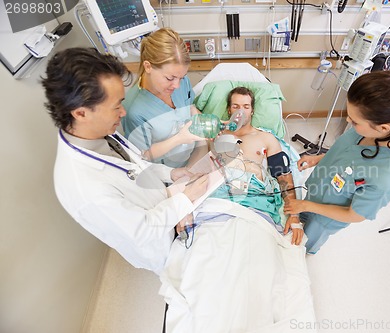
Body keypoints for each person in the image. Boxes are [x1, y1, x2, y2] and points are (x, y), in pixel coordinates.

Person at [42, 47, 209, 275]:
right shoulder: (84, 187)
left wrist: (170, 174)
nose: (123, 113)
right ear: (81, 113)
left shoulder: (101, 132)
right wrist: (186, 199)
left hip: (167, 206)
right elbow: (143, 230)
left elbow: (138, 163)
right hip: (160, 244)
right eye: (116, 106)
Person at [284, 71, 390, 254]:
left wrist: (306, 206)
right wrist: (318, 159)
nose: (348, 121)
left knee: (303, 244)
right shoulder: (362, 131)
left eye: (354, 121)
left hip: (324, 220)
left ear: (384, 128)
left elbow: (354, 215)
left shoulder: (386, 177)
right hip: (316, 192)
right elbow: (345, 155)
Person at [211, 87, 304, 245]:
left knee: (253, 243)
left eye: (246, 107)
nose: (241, 111)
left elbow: (283, 175)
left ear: (252, 110)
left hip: (253, 196)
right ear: (228, 109)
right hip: (221, 194)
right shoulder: (215, 136)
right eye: (236, 106)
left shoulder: (265, 138)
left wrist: (294, 216)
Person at [121, 27, 205, 168]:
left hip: (196, 158)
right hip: (169, 175)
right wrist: (179, 139)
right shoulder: (134, 111)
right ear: (148, 67)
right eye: (170, 78)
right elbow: (142, 156)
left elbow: (189, 106)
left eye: (181, 77)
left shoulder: (181, 82)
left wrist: (199, 117)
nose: (177, 85)